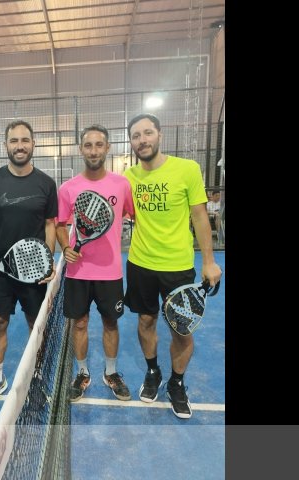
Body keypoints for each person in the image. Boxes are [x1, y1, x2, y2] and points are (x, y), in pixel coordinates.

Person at [124, 113, 222, 419]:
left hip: (178, 266)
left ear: (160, 134)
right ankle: (153, 371)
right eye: (136, 135)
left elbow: (200, 216)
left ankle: (176, 383)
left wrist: (209, 261)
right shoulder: (129, 177)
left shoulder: (187, 169)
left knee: (182, 330)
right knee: (145, 321)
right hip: (140, 263)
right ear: (131, 142)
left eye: (147, 133)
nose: (142, 140)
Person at [0, 119, 58, 410]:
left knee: (37, 326)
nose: (20, 146)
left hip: (34, 271)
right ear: (5, 145)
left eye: (25, 140)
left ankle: (37, 378)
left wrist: (47, 261)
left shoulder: (46, 183)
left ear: (33, 144)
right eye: (14, 140)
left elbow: (50, 224)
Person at [56, 124, 135, 402]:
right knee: (79, 324)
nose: (93, 151)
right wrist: (66, 247)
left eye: (99, 145)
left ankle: (111, 373)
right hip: (77, 273)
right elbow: (60, 224)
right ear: (81, 149)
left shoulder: (122, 185)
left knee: (111, 323)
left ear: (107, 148)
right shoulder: (68, 188)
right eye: (88, 145)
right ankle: (82, 373)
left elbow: (133, 216)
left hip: (110, 272)